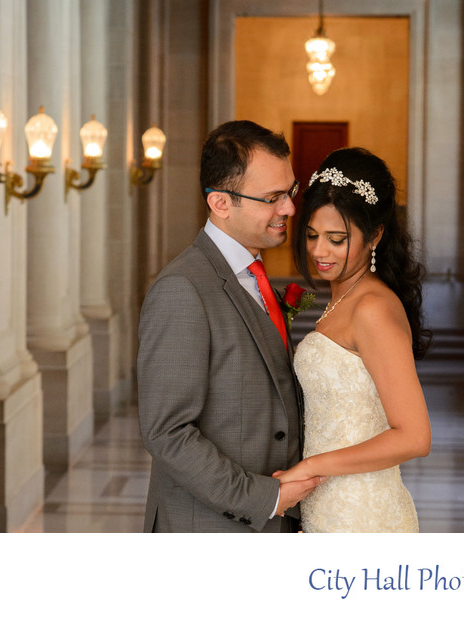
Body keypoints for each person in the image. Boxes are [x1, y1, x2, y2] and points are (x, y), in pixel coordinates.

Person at [137, 120, 323, 532]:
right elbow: (167, 432)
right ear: (221, 203)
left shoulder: (255, 276)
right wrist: (266, 498)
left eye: (289, 192)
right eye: (273, 197)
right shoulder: (182, 290)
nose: (290, 208)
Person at [274, 147, 432, 532]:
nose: (318, 251)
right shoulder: (345, 297)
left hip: (362, 514)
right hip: (328, 503)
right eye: (311, 235)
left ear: (375, 234)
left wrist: (311, 466)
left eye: (336, 239)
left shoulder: (372, 308)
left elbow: (414, 437)